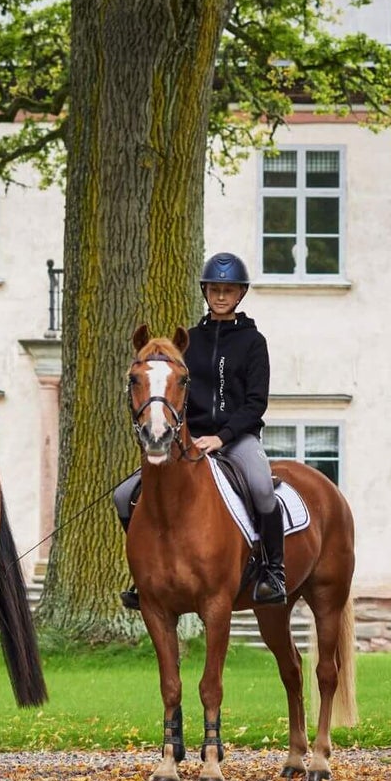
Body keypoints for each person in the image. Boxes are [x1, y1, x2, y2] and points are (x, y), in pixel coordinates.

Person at [115, 252, 285, 609]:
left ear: (240, 294)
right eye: (214, 289)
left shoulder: (254, 343)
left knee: (261, 489)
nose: (221, 296)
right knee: (123, 494)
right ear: (205, 292)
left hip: (237, 440)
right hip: (188, 441)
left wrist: (222, 436)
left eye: (228, 290)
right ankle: (143, 573)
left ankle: (272, 572)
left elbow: (256, 403)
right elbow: (172, 393)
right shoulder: (188, 342)